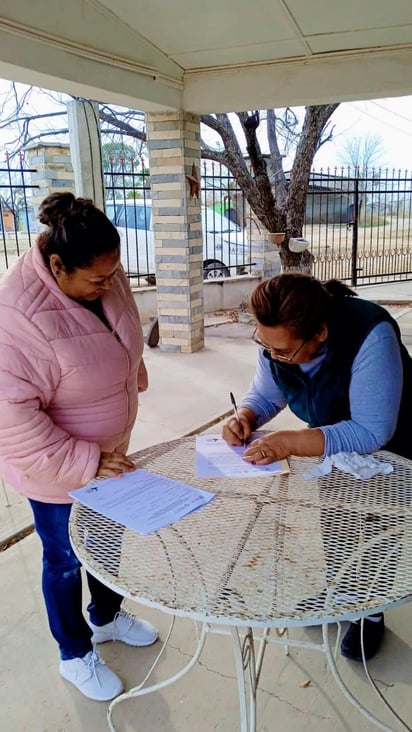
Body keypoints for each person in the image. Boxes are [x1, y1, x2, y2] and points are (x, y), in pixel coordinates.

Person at [0, 193, 158, 701]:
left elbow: (117, 331)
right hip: (54, 470)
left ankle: (107, 616)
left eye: (115, 274)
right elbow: (13, 421)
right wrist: (86, 461)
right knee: (65, 559)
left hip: (109, 455)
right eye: (97, 279)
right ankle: (75, 653)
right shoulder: (15, 318)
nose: (109, 284)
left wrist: (131, 370)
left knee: (107, 545)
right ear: (56, 265)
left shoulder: (101, 270)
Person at [222, 273, 412, 662]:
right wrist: (247, 415)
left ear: (320, 333)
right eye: (266, 346)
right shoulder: (279, 340)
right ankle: (341, 589)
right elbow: (266, 390)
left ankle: (369, 612)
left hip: (396, 444)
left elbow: (371, 430)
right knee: (337, 520)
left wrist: (288, 442)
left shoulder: (370, 334)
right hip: (333, 439)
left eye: (285, 351)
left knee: (376, 529)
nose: (274, 355)